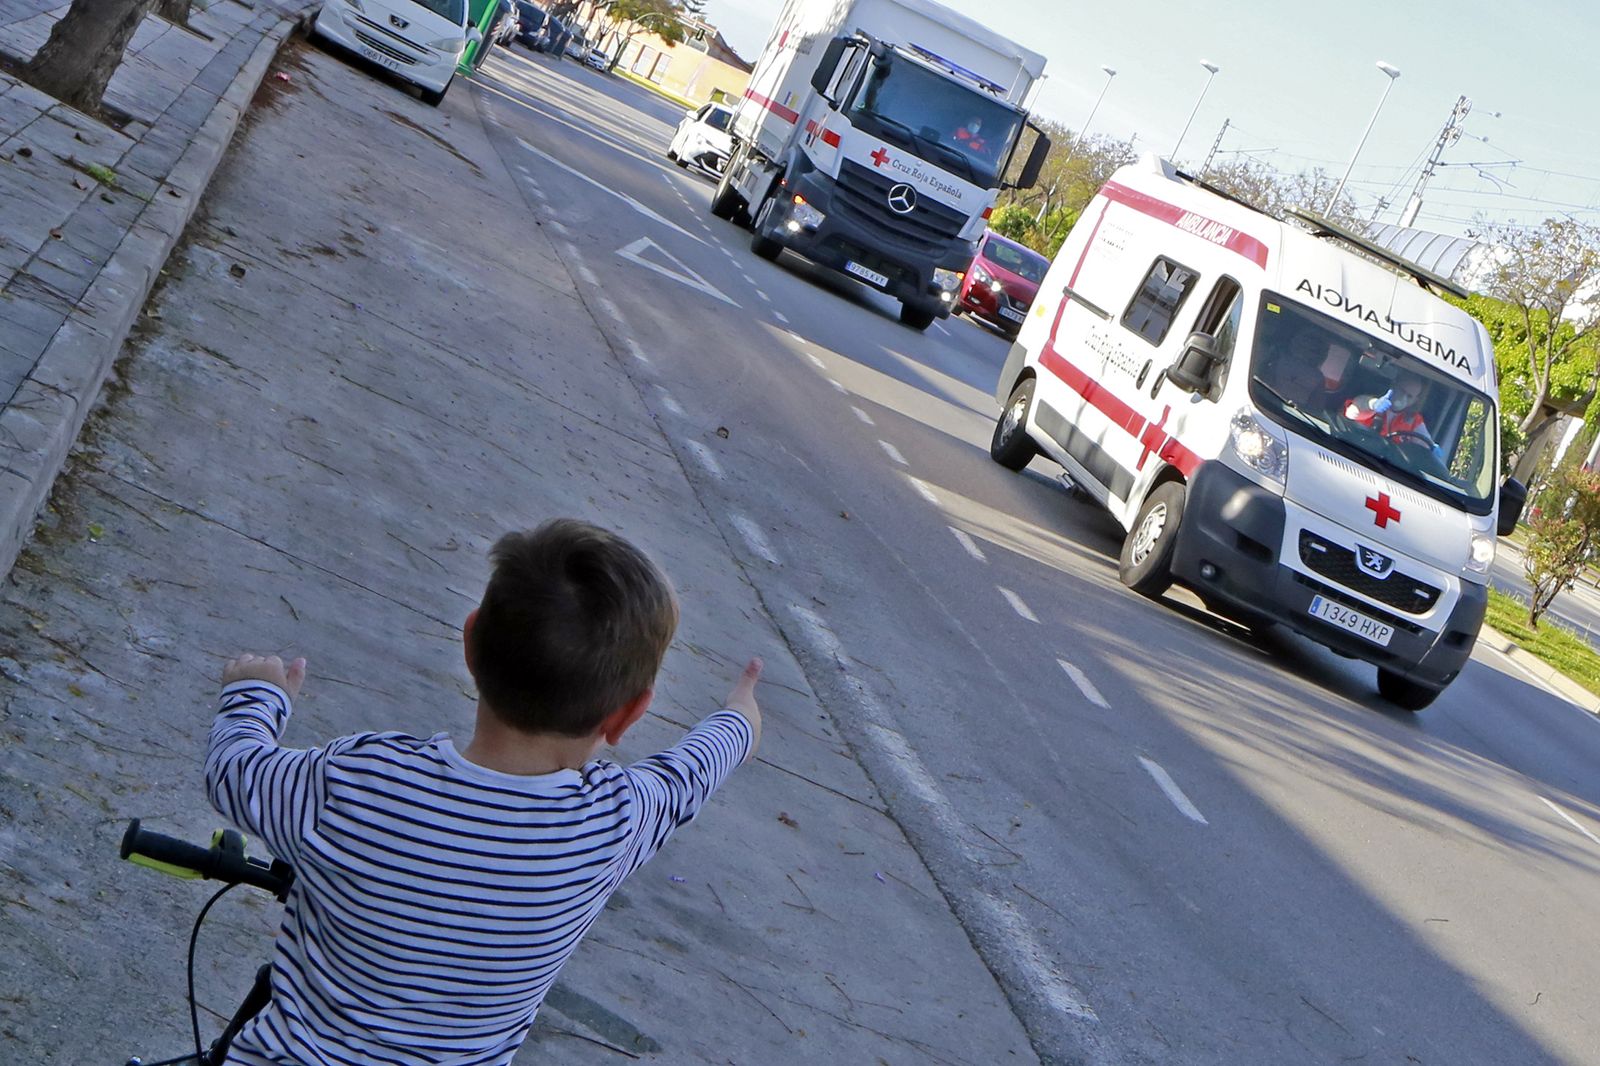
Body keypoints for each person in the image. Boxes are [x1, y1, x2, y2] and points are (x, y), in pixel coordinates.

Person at [206, 519, 763, 1066]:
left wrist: (256, 695)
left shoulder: (358, 778)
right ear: (627, 716)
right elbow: (690, 771)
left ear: (470, 642)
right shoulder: (615, 824)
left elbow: (233, 773)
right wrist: (740, 714)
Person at [1342, 369, 1446, 461]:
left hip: (1388, 466)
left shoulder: (1414, 420)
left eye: (1409, 396)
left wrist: (1432, 450)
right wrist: (1373, 404)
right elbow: (1353, 411)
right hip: (1354, 452)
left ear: (1415, 400)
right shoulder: (1377, 403)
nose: (1403, 398)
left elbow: (1425, 442)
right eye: (1402, 390)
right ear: (1394, 384)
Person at [1264, 330, 1354, 418]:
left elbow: (1265, 381)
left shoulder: (1280, 361)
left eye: (1314, 350)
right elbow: (1316, 410)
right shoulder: (1317, 378)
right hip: (1291, 415)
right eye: (1309, 349)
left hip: (1269, 407)